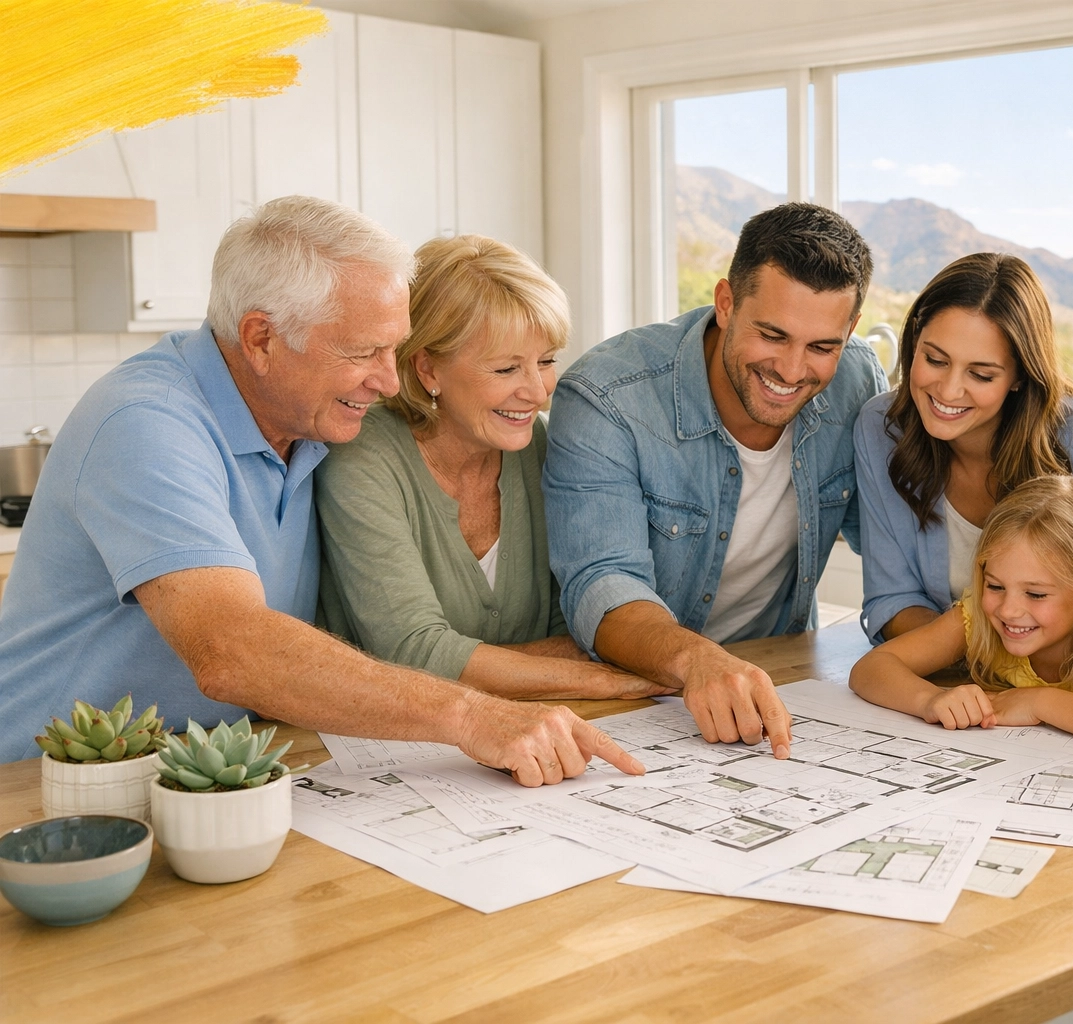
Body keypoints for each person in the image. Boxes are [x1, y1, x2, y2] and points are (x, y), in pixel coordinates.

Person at [0, 196, 641, 786]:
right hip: (46, 784)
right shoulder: (147, 423)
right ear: (261, 339)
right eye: (363, 352)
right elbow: (232, 649)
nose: (391, 384)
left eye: (394, 350)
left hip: (210, 772)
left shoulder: (311, 427)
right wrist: (473, 716)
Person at [544, 203, 886, 758]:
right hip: (633, 697)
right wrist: (699, 661)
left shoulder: (857, 380)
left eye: (823, 346)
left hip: (777, 681)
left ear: (849, 331)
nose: (794, 370)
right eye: (773, 335)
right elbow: (600, 584)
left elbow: (892, 536)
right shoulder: (608, 395)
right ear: (725, 303)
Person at [314, 234, 666, 703]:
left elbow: (582, 625)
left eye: (545, 361)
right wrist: (586, 677)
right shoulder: (360, 456)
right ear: (428, 370)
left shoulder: (543, 444)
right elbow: (411, 652)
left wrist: (478, 663)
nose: (538, 392)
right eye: (506, 370)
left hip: (538, 727)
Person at [854, 252, 1073, 646]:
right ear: (914, 340)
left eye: (981, 374)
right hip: (949, 683)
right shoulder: (881, 429)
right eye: (935, 359)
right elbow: (891, 601)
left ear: (1020, 374)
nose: (948, 391)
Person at [849, 475, 1073, 760]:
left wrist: (1038, 703)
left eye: (1036, 594)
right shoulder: (979, 619)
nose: (1008, 610)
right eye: (995, 585)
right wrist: (929, 699)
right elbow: (871, 668)